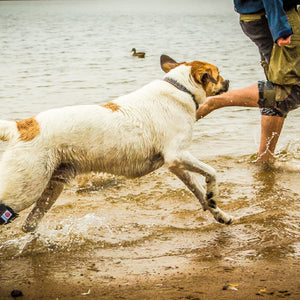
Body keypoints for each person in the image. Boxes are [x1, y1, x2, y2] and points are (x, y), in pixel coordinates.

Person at [196, 0, 300, 164]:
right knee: (291, 91)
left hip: (267, 14)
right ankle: (214, 102)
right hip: (273, 15)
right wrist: (279, 26)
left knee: (280, 90)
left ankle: (265, 162)